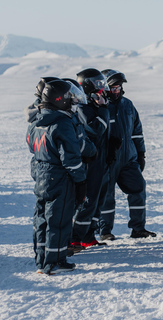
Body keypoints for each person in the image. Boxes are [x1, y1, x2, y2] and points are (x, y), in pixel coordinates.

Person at [26, 79, 88, 274]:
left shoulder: (36, 121)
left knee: (42, 217)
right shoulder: (63, 123)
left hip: (41, 174)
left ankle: (42, 260)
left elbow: (31, 145)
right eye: (69, 97)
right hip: (60, 177)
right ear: (59, 99)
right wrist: (81, 181)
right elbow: (71, 159)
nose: (72, 101)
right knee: (59, 219)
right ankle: (55, 261)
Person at [97, 69, 155, 239]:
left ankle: (138, 228)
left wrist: (141, 153)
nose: (116, 91)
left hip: (129, 158)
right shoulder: (100, 106)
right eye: (112, 87)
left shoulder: (128, 104)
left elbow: (137, 131)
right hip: (107, 160)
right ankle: (105, 231)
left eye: (118, 87)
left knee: (138, 189)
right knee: (107, 196)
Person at [70, 68, 111, 250]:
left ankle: (88, 234)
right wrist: (103, 108)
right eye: (98, 83)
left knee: (98, 200)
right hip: (89, 161)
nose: (102, 87)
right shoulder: (83, 107)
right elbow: (96, 129)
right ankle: (74, 238)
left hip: (100, 160)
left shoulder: (92, 105)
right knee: (87, 200)